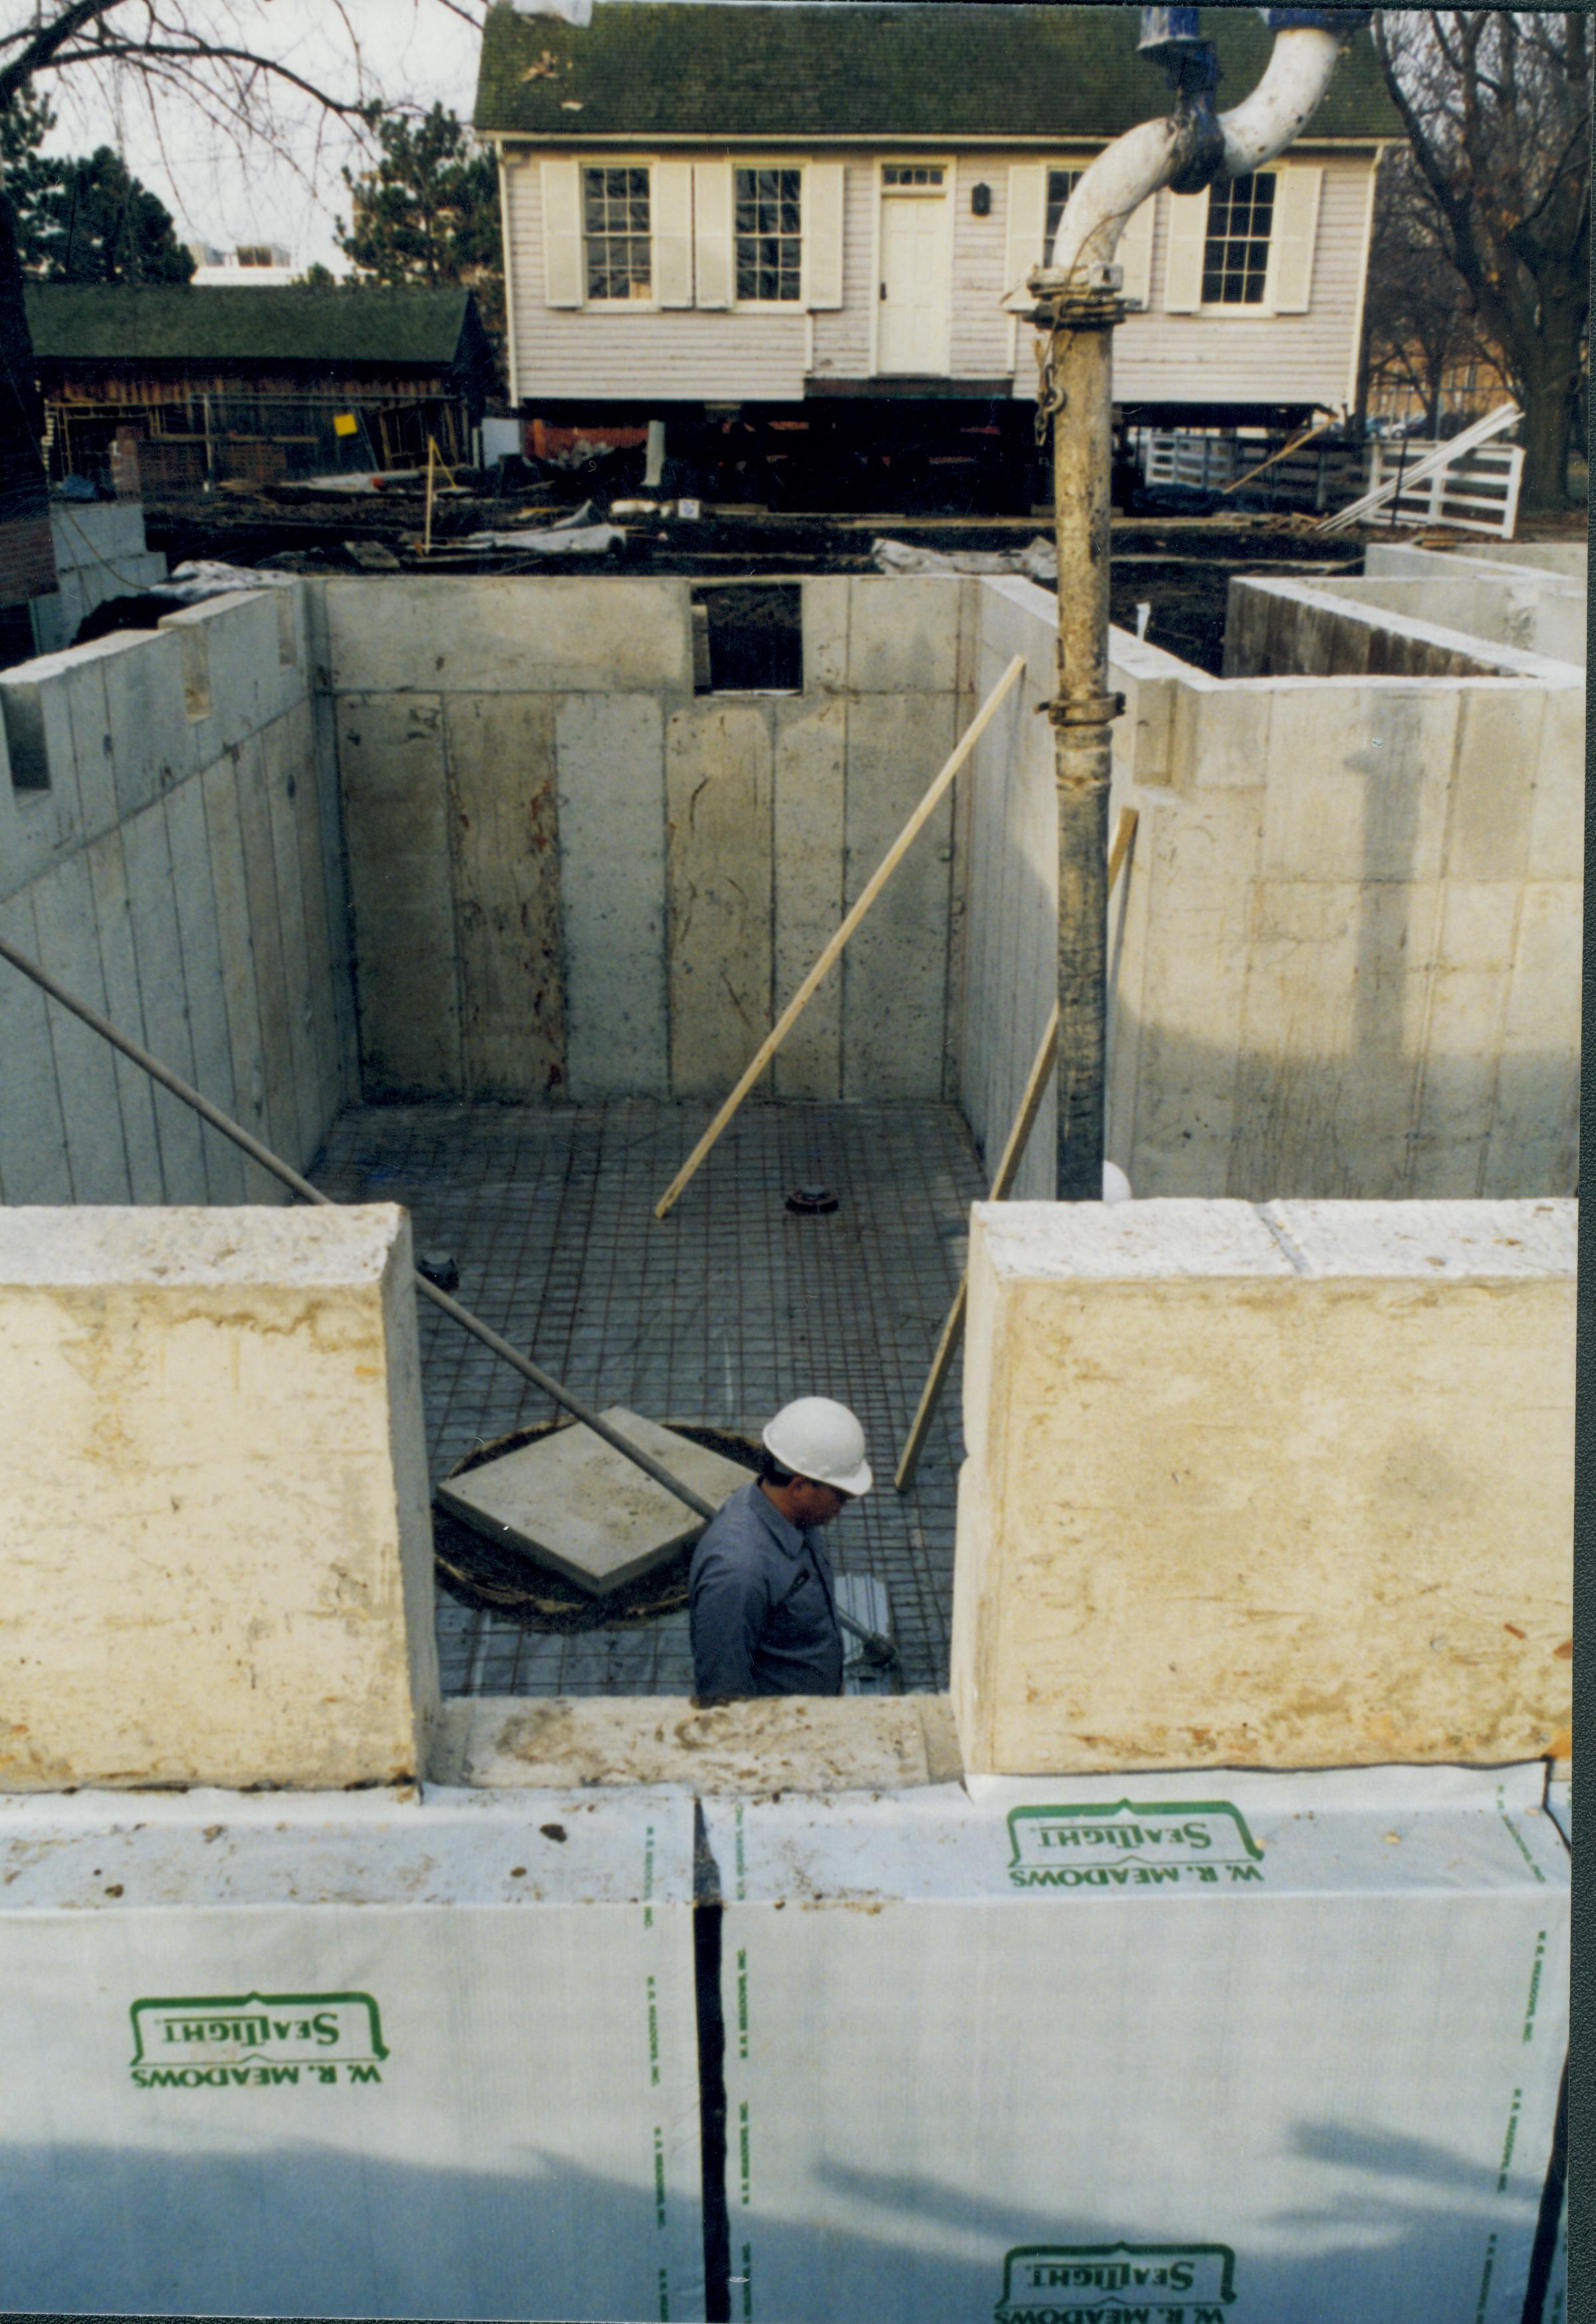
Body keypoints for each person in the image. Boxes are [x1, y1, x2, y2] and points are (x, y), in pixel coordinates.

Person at [688, 1397, 872, 1700]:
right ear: (799, 1487)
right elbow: (723, 1694)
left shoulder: (797, 1517)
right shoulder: (737, 1574)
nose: (845, 1506)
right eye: (841, 1495)